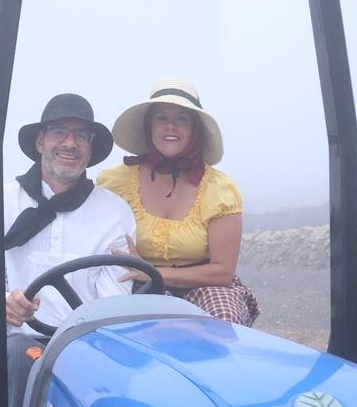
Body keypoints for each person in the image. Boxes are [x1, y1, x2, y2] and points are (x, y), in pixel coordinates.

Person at [0, 94, 138, 407]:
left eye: (81, 135)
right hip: (15, 343)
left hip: (84, 346)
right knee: (21, 357)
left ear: (90, 147)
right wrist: (3, 306)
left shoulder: (114, 212)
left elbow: (113, 305)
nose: (70, 143)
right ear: (40, 141)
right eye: (59, 131)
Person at [98, 79, 259, 324]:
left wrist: (152, 273)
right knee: (114, 331)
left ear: (195, 130)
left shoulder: (219, 189)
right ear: (148, 126)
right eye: (161, 117)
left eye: (182, 119)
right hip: (134, 284)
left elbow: (222, 272)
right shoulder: (115, 183)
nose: (170, 126)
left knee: (222, 321)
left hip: (204, 286)